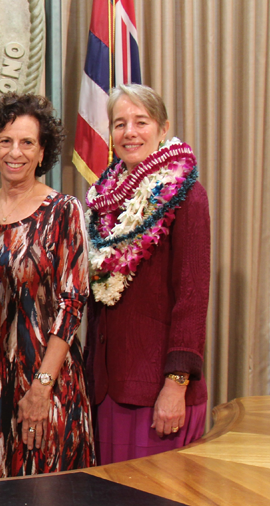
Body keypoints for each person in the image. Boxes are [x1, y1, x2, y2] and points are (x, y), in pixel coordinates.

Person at [0, 93, 96, 478]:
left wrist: (42, 387)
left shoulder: (63, 210)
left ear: (43, 153)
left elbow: (72, 303)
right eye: (6, 141)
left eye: (27, 143)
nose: (15, 152)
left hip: (46, 377)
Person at [86, 83, 210, 464]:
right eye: (120, 124)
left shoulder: (186, 194)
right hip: (107, 385)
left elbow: (192, 295)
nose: (130, 133)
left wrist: (175, 385)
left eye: (141, 121)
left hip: (156, 388)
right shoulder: (102, 201)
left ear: (163, 127)